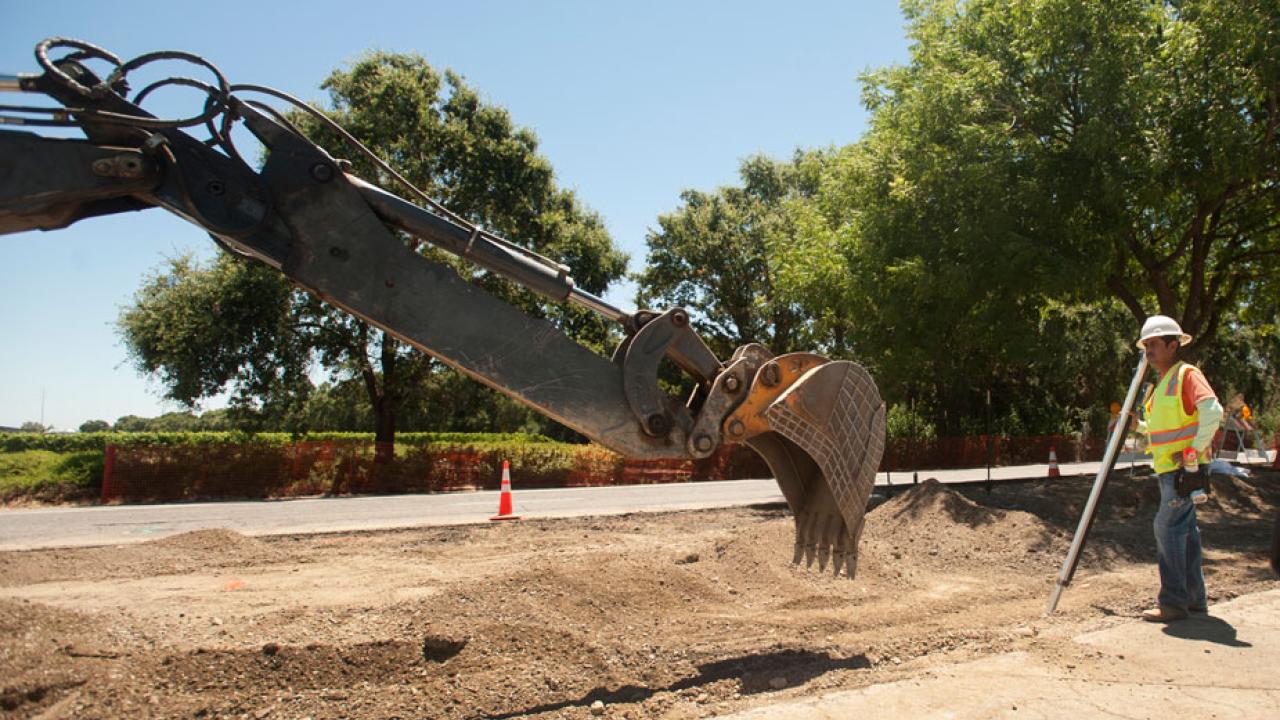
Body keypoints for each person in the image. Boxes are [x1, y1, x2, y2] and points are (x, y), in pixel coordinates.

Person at [1135, 315, 1223, 622]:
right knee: (1185, 531)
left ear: (1174, 345)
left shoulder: (1186, 374)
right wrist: (1140, 427)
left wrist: (1194, 451)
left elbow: (1212, 410)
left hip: (1184, 470)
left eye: (1155, 344)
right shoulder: (1162, 384)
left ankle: (1172, 602)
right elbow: (1167, 428)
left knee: (1167, 527)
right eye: (1146, 344)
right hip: (1172, 470)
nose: (1149, 350)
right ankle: (1194, 599)